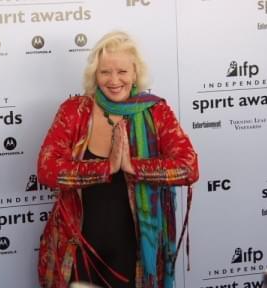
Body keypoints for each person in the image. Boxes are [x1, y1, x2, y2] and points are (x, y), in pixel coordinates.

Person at [37, 31, 199, 288]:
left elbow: (188, 167)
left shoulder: (156, 112)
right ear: (94, 75)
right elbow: (46, 170)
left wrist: (132, 166)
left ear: (135, 74)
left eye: (122, 72)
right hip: (77, 248)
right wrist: (107, 167)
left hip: (136, 252)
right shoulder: (74, 111)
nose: (114, 80)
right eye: (105, 72)